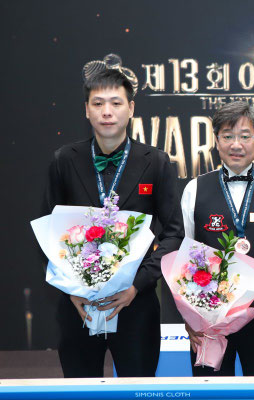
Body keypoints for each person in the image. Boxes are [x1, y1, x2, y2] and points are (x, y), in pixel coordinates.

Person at [40, 68, 185, 377]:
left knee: (138, 390)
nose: (107, 111)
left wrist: (137, 285)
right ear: (86, 109)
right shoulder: (65, 160)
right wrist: (70, 290)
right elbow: (46, 231)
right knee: (81, 390)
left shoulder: (156, 162)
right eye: (98, 103)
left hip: (136, 305)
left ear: (130, 108)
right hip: (78, 306)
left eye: (116, 103)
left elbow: (174, 234)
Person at [181, 101, 254, 376]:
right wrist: (190, 316)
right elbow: (184, 259)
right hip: (208, 319)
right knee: (210, 393)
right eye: (228, 136)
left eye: (245, 136)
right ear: (216, 140)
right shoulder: (194, 189)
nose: (236, 145)